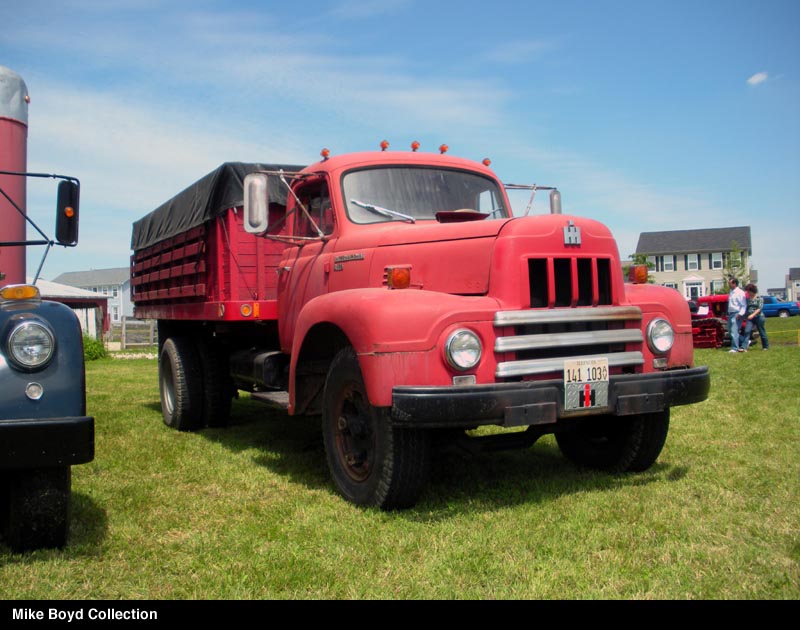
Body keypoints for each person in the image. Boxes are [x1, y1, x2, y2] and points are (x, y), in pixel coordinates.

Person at [742, 283, 770, 351]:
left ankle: (765, 346)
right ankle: (744, 347)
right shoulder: (748, 299)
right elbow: (746, 307)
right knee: (747, 331)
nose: (748, 293)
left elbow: (759, 308)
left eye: (748, 291)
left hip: (759, 317)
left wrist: (753, 315)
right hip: (749, 318)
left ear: (752, 291)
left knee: (761, 331)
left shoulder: (759, 298)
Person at [727, 278, 747, 353]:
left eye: (730, 283)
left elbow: (743, 305)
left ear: (734, 283)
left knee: (734, 331)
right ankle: (745, 341)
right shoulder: (731, 292)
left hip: (737, 313)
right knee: (729, 330)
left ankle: (735, 348)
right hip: (730, 313)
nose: (729, 285)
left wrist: (740, 314)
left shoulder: (740, 292)